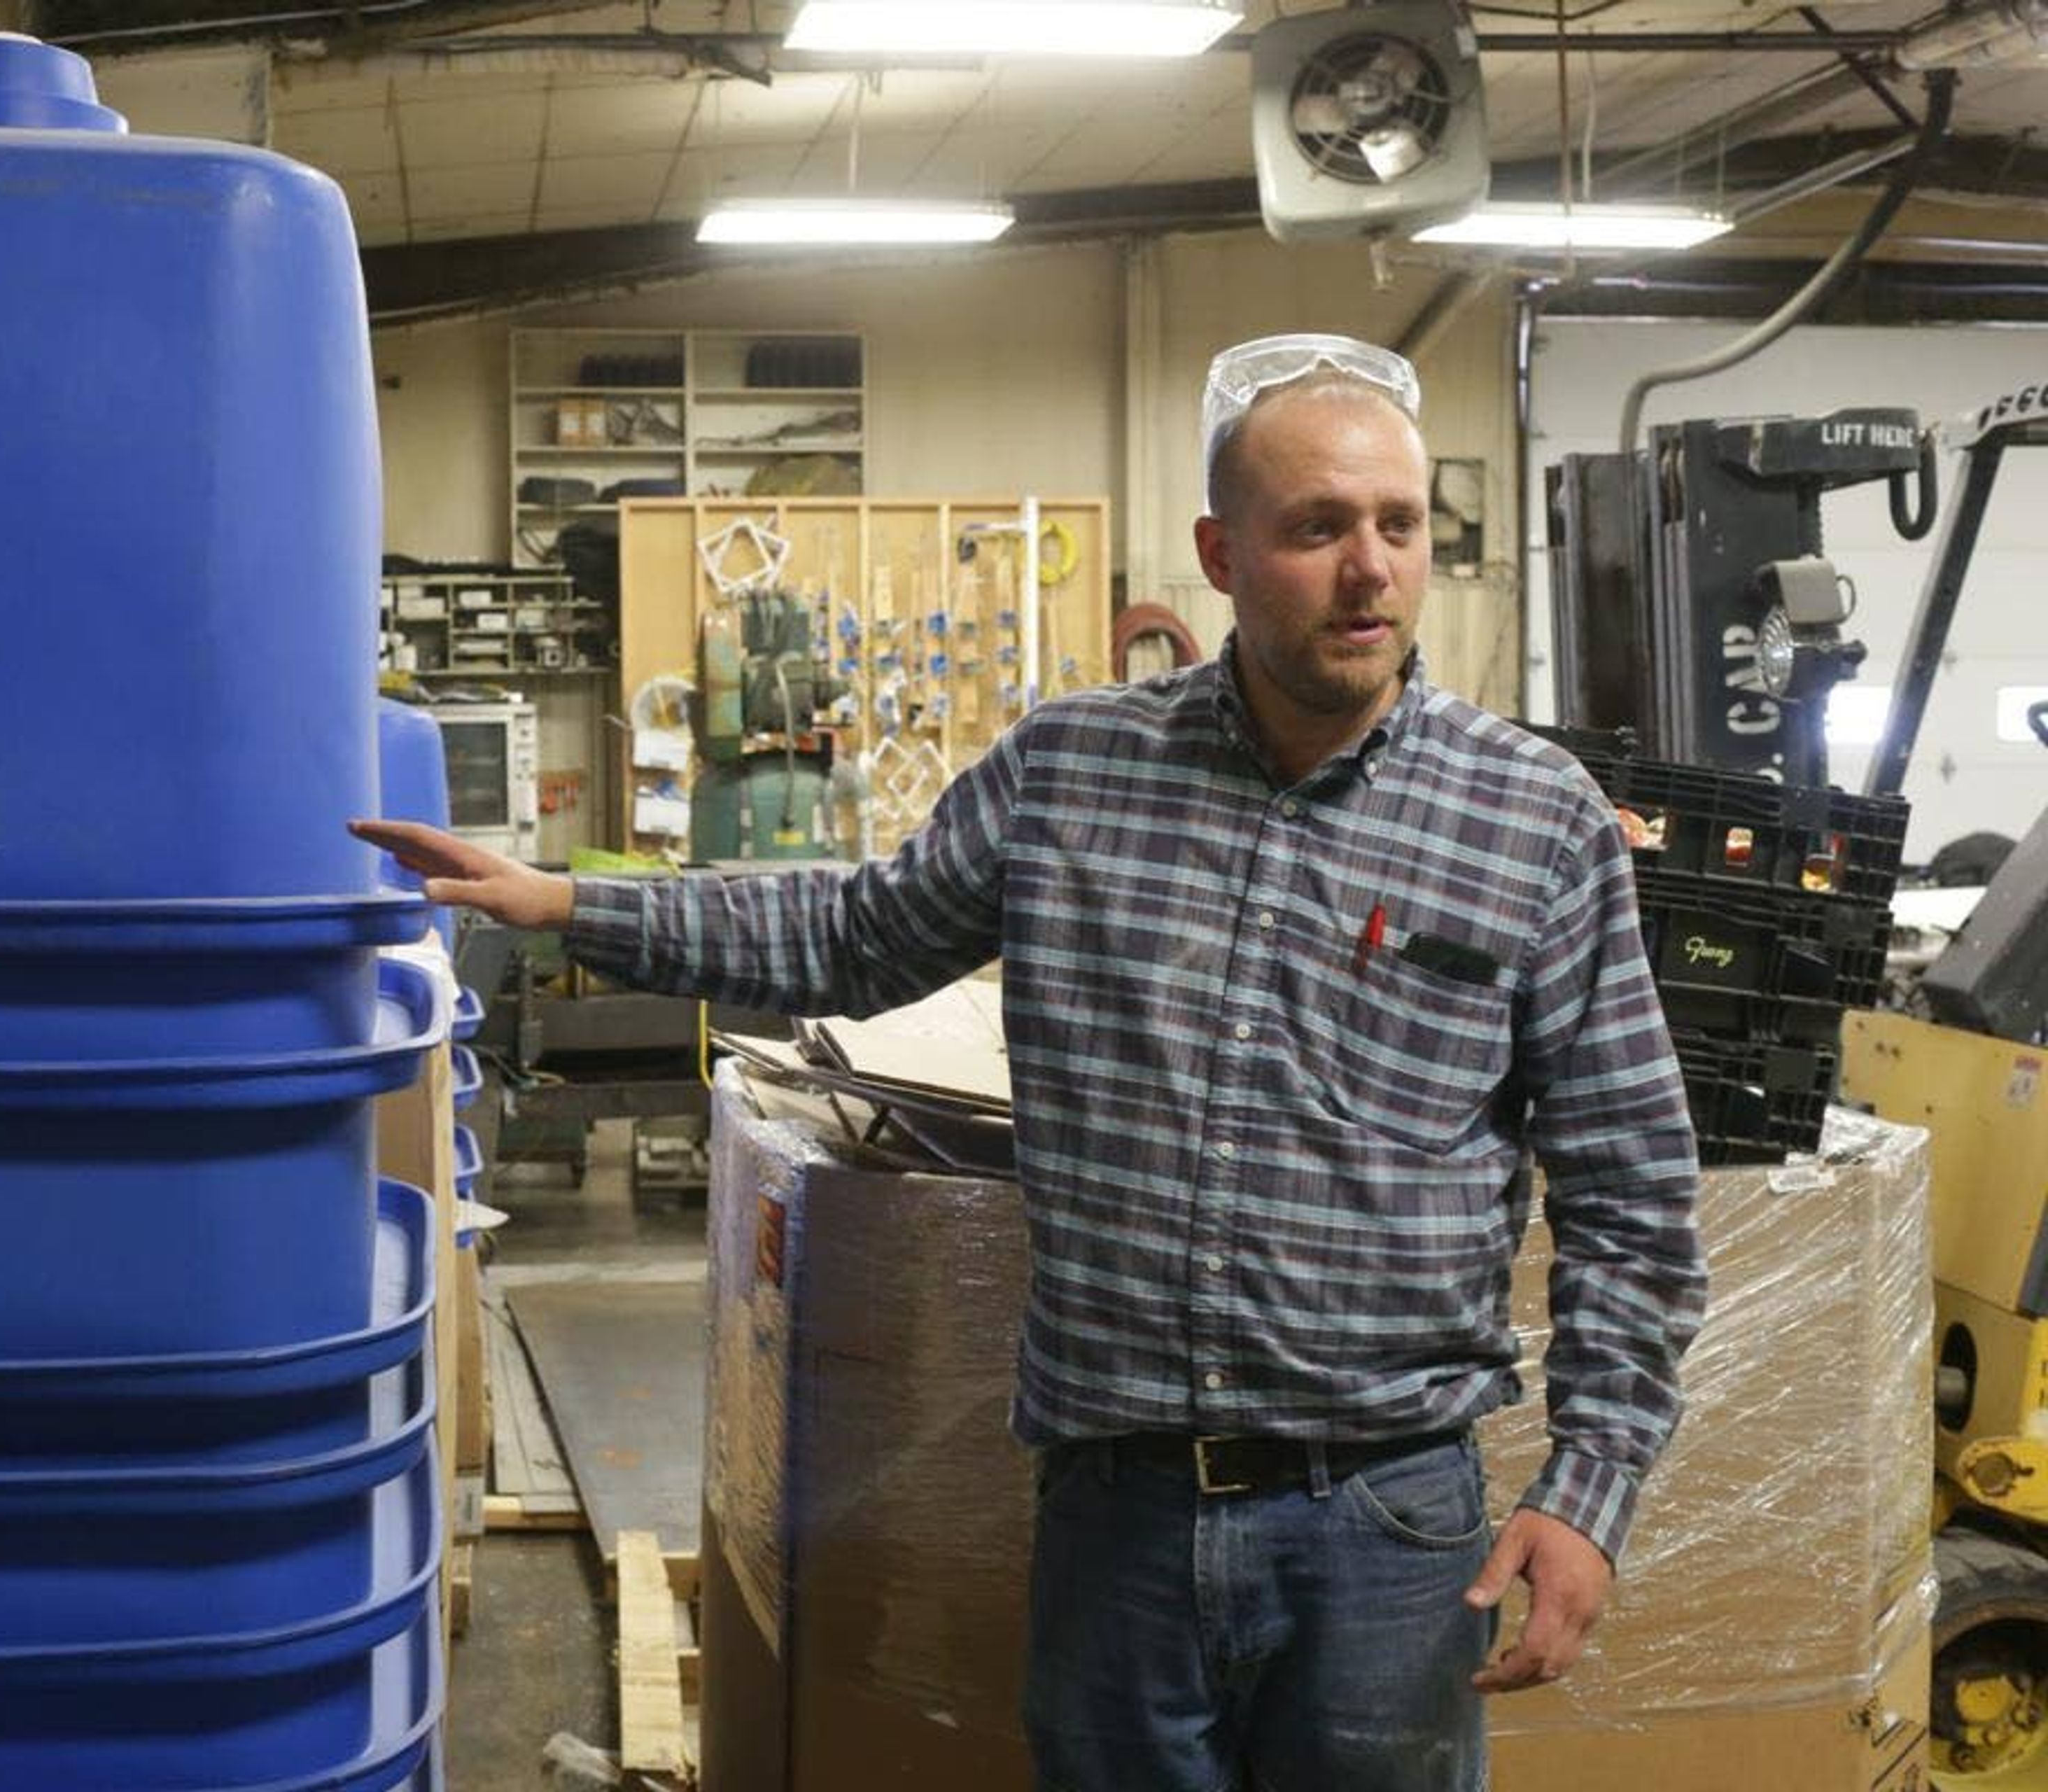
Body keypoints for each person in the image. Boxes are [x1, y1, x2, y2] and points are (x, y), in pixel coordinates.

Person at [354, 332, 1706, 1792]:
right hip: (1118, 1516)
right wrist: (565, 901)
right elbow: (856, 933)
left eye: (1397, 525)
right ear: (1222, 550)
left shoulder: (1532, 820)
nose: (1371, 570)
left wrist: (1588, 1489)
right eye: (1318, 527)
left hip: (1384, 1525)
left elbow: (1634, 1187)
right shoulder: (1073, 773)